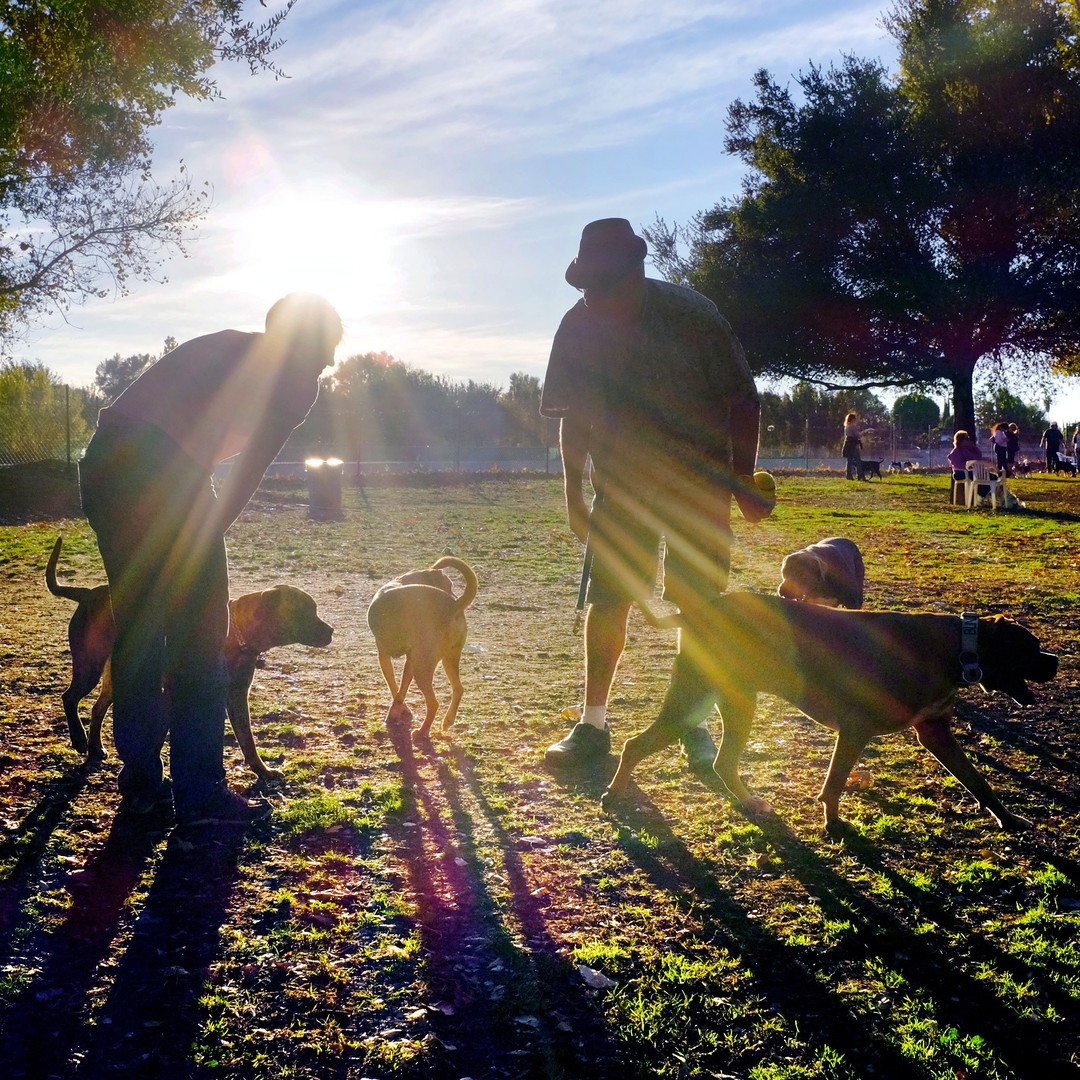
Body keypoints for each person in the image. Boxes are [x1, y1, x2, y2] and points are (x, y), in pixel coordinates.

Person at [78, 294, 344, 826]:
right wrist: (206, 534)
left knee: (138, 629)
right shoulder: (294, 379)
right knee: (201, 637)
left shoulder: (227, 344)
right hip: (163, 470)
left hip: (105, 465)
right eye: (325, 350)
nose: (329, 364)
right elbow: (249, 470)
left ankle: (141, 786)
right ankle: (199, 794)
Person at [538, 218, 768, 774]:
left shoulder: (694, 316)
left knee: (701, 604)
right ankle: (592, 723)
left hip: (699, 484)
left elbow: (744, 402)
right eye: (588, 289)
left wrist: (743, 482)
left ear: (638, 275)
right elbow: (573, 415)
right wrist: (573, 492)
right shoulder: (577, 326)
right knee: (608, 599)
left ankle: (691, 721)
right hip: (621, 487)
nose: (597, 300)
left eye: (607, 287)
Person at [947, 430, 984, 504]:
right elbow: (957, 464)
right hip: (960, 473)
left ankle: (984, 494)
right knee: (978, 476)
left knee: (990, 477)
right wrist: (968, 466)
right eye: (966, 439)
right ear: (960, 440)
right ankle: (983, 495)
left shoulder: (970, 450)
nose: (968, 440)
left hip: (971, 471)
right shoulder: (956, 451)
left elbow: (979, 457)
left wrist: (973, 447)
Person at [841, 412, 866, 481]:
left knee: (849, 461)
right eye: (854, 419)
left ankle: (849, 475)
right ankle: (860, 476)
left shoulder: (846, 426)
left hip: (848, 444)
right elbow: (857, 435)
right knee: (858, 461)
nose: (855, 420)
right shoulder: (853, 426)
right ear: (852, 419)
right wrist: (865, 431)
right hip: (853, 445)